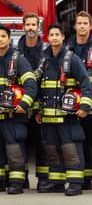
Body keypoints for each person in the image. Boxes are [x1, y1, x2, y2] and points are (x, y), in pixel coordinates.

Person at [0, 25, 37, 194]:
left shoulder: (19, 60)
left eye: (4, 36)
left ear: (8, 39)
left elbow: (31, 85)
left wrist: (23, 104)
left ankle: (17, 182)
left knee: (14, 149)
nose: (0, 39)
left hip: (13, 116)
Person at [36, 23, 92, 196]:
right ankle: (57, 181)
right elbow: (39, 86)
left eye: (56, 35)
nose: (53, 38)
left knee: (71, 149)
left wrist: (84, 106)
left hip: (68, 116)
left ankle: (75, 183)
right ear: (48, 38)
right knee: (52, 149)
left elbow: (85, 83)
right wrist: (38, 109)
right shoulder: (44, 59)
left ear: (62, 38)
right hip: (49, 116)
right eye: (51, 35)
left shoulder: (71, 58)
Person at [17, 13, 49, 189]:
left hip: (40, 106)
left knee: (42, 142)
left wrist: (42, 107)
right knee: (19, 141)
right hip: (20, 106)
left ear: (38, 27)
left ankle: (43, 178)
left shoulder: (46, 50)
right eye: (27, 25)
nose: (30, 28)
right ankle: (21, 178)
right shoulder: (16, 50)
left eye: (33, 25)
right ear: (23, 27)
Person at [67, 11, 92, 189]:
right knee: (77, 141)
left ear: (90, 27)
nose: (82, 26)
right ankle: (82, 178)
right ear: (75, 26)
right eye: (79, 23)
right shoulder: (66, 48)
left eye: (85, 23)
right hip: (73, 104)